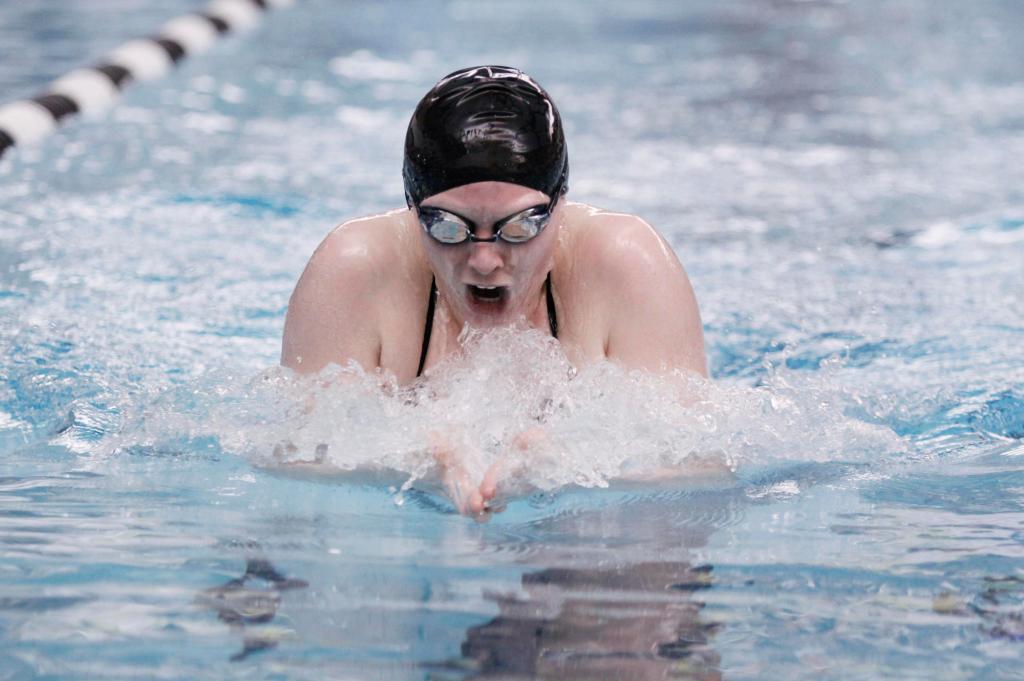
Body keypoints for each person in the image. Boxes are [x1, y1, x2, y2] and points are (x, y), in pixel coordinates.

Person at [281, 65, 707, 514]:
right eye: (448, 227)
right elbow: (293, 458)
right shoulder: (355, 267)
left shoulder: (626, 262)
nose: (484, 261)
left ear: (561, 203)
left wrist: (565, 466)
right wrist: (416, 463)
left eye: (520, 227)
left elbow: (699, 468)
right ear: (412, 208)